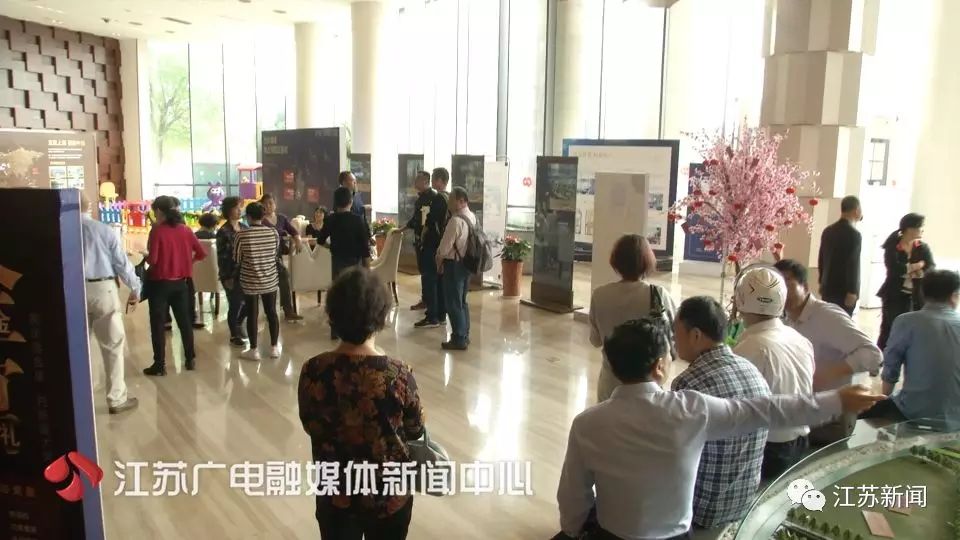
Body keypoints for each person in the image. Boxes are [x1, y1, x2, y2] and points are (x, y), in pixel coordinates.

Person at [554, 317, 882, 540]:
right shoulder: (691, 410)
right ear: (659, 366)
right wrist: (837, 400)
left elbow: (572, 496)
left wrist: (571, 530)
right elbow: (767, 410)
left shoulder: (587, 424)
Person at [298, 268, 424, 539]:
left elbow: (310, 425)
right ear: (381, 316)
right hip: (388, 497)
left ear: (332, 316)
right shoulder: (397, 374)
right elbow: (415, 429)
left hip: (336, 494)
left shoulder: (313, 370)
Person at [670, 296, 770, 531]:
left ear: (695, 335)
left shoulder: (688, 383)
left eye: (676, 333)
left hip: (702, 509)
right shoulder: (752, 371)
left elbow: (673, 454)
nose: (674, 340)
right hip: (744, 502)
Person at [775, 259, 882, 445]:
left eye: (787, 283)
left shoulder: (827, 316)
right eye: (776, 286)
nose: (781, 292)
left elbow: (873, 355)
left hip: (832, 418)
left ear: (805, 286)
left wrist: (832, 371)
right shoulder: (785, 321)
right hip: (805, 411)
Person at [732, 267, 815, 480]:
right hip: (801, 438)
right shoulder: (799, 338)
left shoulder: (751, 347)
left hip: (771, 446)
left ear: (739, 300)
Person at [860, 269, 960, 426]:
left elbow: (891, 367)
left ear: (923, 293)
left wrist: (884, 397)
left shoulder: (907, 322)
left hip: (913, 412)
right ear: (954, 296)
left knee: (856, 410)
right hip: (956, 419)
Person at [589, 234, 676, 402]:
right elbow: (673, 334)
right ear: (648, 261)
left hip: (610, 382)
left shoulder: (599, 295)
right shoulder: (658, 294)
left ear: (615, 261)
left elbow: (595, 340)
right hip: (648, 381)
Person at [80, 193, 141, 414]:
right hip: (103, 288)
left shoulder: (62, 231)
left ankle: (79, 398)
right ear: (89, 206)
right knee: (112, 345)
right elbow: (121, 263)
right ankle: (116, 399)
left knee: (79, 346)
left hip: (73, 292)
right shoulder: (103, 230)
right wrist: (135, 288)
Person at [144, 195, 206, 375]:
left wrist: (145, 256)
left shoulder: (157, 231)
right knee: (185, 322)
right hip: (181, 284)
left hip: (159, 285)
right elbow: (201, 253)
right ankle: (190, 359)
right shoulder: (186, 230)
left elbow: (153, 260)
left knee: (158, 325)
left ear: (158, 211)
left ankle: (159, 365)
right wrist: (187, 263)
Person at [876, 213, 935, 350]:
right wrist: (917, 265)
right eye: (920, 227)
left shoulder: (922, 247)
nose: (922, 230)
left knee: (914, 328)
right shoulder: (893, 246)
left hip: (916, 294)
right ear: (910, 229)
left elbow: (931, 266)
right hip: (894, 294)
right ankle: (882, 356)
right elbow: (894, 269)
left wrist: (920, 271)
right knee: (890, 327)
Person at [234, 202, 282, 361]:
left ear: (248, 217)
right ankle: (274, 348)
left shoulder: (241, 235)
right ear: (263, 216)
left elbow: (237, 259)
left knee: (252, 314)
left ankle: (254, 350)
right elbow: (275, 254)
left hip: (250, 281)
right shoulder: (273, 233)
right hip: (270, 279)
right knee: (272, 313)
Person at [436, 186, 475, 351]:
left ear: (461, 201)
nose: (449, 202)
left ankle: (458, 338)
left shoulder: (455, 221)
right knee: (462, 301)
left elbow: (444, 249)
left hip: (453, 265)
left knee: (453, 303)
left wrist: (438, 263)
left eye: (452, 199)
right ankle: (465, 334)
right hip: (466, 264)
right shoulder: (471, 216)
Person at [398, 171, 437, 316]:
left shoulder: (432, 198)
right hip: (420, 240)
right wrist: (402, 229)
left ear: (426, 181)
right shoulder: (421, 198)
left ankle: (430, 302)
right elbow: (416, 218)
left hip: (428, 241)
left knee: (428, 273)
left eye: (418, 180)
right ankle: (426, 299)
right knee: (424, 271)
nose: (415, 183)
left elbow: (427, 221)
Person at [260, 193, 304, 322]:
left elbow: (293, 231)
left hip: (277, 256)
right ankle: (271, 311)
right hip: (264, 257)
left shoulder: (281, 218)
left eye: (271, 203)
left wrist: (298, 240)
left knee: (284, 278)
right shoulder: (260, 220)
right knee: (269, 284)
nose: (268, 206)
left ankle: (288, 310)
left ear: (275, 204)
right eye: (265, 204)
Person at [817, 195, 863, 315]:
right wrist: (852, 290)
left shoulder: (828, 231)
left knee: (828, 318)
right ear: (856, 210)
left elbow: (821, 259)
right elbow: (853, 264)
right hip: (844, 291)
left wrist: (822, 281)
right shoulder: (854, 234)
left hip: (828, 287)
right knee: (843, 322)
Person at [317, 187, 373, 279]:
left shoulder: (330, 219)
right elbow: (365, 249)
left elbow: (320, 240)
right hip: (355, 265)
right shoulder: (358, 220)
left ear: (335, 202)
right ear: (351, 201)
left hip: (337, 264)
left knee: (339, 287)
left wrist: (330, 247)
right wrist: (368, 272)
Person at [216, 196, 248, 347]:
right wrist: (227, 276)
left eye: (240, 207)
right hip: (230, 274)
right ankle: (234, 334)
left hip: (245, 272)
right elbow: (222, 257)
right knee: (234, 304)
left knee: (249, 302)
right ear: (229, 210)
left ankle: (239, 323)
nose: (239, 210)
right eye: (236, 207)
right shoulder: (223, 231)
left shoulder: (244, 227)